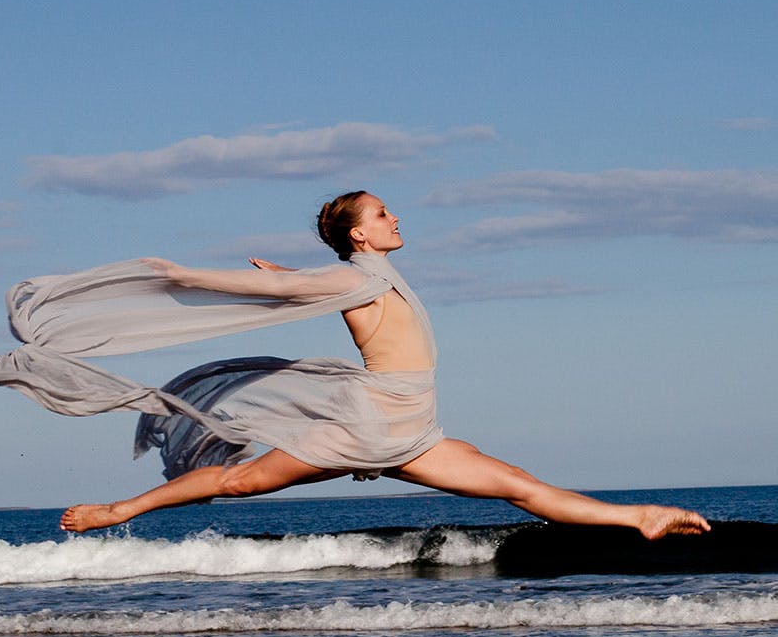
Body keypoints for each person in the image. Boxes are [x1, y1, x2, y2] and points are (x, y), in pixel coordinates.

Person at [56, 191, 710, 540]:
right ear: (359, 234)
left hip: (406, 419)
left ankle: (639, 517)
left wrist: (291, 273)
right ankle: (118, 511)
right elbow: (290, 293)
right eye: (381, 213)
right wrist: (183, 274)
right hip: (374, 420)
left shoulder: (366, 272)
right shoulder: (360, 277)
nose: (395, 216)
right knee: (240, 482)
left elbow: (312, 286)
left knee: (514, 479)